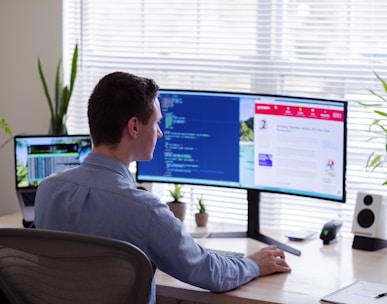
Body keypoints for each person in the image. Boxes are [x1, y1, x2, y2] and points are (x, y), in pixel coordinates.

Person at [34, 71, 291, 304]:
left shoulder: (47, 191)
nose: (160, 133)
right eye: (156, 123)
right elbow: (206, 270)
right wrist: (254, 264)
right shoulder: (144, 209)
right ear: (134, 127)